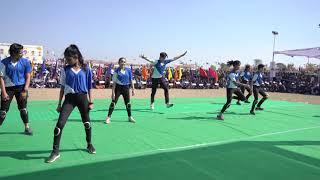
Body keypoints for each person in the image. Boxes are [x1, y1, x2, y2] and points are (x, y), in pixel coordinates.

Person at [46, 44, 95, 163]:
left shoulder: (86, 69)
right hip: (69, 99)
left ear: (76, 56)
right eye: (66, 59)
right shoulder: (65, 70)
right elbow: (62, 87)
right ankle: (55, 151)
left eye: (69, 59)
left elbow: (89, 86)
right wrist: (59, 104)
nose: (67, 61)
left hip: (83, 98)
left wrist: (90, 101)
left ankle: (89, 144)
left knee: (87, 123)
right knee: (59, 125)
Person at [0, 43, 32, 135]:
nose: (22, 54)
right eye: (21, 52)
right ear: (14, 53)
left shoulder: (25, 62)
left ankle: (27, 127)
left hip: (21, 88)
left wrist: (25, 89)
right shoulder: (4, 62)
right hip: (8, 89)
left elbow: (28, 76)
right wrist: (4, 92)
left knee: (23, 109)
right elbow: (1, 77)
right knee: (2, 112)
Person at [105, 57, 135, 124]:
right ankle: (108, 117)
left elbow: (131, 80)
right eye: (121, 61)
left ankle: (130, 117)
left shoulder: (128, 70)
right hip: (118, 88)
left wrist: (133, 89)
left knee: (128, 103)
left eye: (124, 61)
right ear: (119, 63)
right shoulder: (116, 71)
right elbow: (114, 82)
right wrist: (113, 92)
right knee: (113, 103)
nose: (123, 63)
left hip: (126, 88)